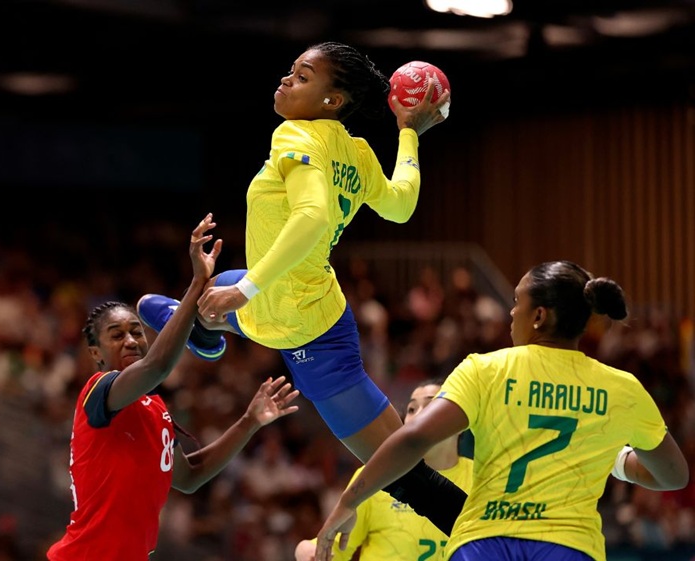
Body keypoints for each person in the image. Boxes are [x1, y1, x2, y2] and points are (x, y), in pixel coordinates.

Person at [136, 40, 466, 534]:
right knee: (404, 463)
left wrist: (245, 289)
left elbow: (311, 217)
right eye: (291, 71)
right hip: (328, 315)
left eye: (303, 76)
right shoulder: (354, 152)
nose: (287, 80)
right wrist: (409, 134)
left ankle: (210, 326)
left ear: (332, 101)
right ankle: (207, 328)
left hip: (282, 316)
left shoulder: (294, 136)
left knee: (403, 475)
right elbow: (400, 205)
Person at [314, 260, 690, 561]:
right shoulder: (622, 388)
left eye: (516, 302)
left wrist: (349, 501)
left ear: (539, 316)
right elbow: (673, 476)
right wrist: (618, 462)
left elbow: (414, 438)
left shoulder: (486, 369)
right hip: (570, 547)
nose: (511, 313)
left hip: (483, 544)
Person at [47, 213, 301, 560]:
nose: (132, 340)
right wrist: (197, 286)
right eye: (116, 335)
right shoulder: (99, 391)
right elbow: (159, 366)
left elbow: (190, 476)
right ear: (96, 352)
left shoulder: (156, 410)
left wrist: (249, 422)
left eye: (137, 331)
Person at [295, 378, 473, 561]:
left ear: (460, 423)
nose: (419, 415)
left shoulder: (482, 477)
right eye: (411, 409)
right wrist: (306, 551)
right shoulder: (375, 476)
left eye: (430, 406)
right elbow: (331, 549)